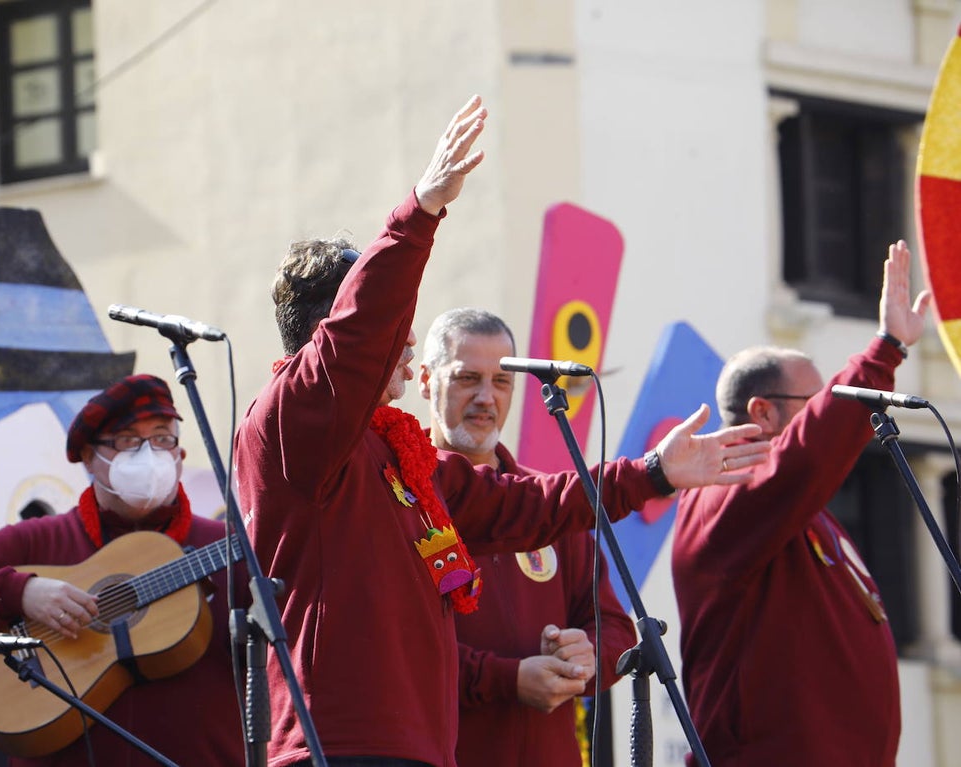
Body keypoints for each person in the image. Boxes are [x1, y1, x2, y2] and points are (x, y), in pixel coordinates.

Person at [233, 95, 769, 767]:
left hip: (416, 749)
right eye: (396, 331)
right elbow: (356, 337)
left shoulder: (394, 454)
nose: (403, 345)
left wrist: (654, 471)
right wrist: (417, 214)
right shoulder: (291, 421)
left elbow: (525, 503)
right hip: (335, 745)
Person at [671, 240, 932, 767]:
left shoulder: (805, 513)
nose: (837, 410)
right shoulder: (725, 493)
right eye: (821, 403)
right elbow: (804, 456)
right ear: (761, 413)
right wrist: (883, 354)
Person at [0, 374, 244, 766]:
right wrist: (21, 592)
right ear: (90, 457)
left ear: (179, 456)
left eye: (163, 438)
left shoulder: (231, 545)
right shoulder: (37, 540)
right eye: (128, 440)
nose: (149, 454)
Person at [418, 307, 636, 767]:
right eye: (466, 378)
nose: (485, 398)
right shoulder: (401, 500)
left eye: (501, 382)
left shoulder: (548, 503)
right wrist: (506, 678)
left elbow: (615, 626)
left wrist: (587, 653)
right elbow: (396, 651)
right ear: (424, 381)